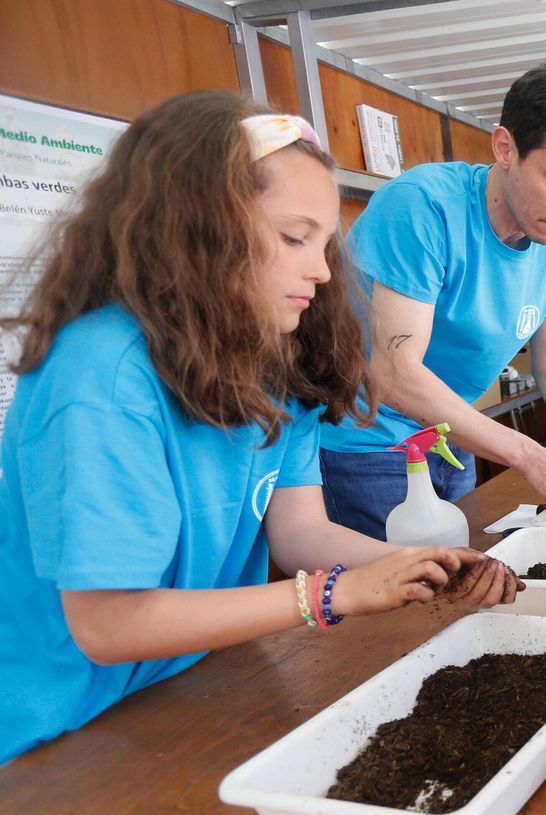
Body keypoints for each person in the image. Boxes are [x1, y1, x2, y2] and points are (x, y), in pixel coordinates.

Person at [0, 92, 516, 765]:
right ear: (195, 229)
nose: (322, 270)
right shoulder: (103, 376)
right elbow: (107, 623)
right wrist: (334, 594)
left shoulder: (272, 360)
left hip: (193, 688)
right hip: (60, 732)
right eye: (294, 237)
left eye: (325, 243)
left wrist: (418, 569)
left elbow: (298, 532)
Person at [319, 64, 546, 533]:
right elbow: (393, 372)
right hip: (369, 446)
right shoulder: (423, 207)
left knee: (458, 581)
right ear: (505, 148)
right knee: (401, 598)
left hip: (451, 437)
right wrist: (526, 453)